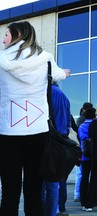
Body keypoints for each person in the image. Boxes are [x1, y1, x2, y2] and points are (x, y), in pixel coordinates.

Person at [0, 21, 69, 216]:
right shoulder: (45, 58)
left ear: (18, 34)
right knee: (34, 190)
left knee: (10, 189)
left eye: (6, 34)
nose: (3, 39)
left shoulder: (1, 60)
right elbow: (58, 75)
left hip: (7, 132)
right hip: (38, 132)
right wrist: (64, 73)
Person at [42, 82, 71, 216]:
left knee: (41, 180)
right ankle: (59, 208)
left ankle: (43, 211)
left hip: (45, 138)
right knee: (57, 178)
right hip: (60, 141)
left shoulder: (44, 92)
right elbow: (68, 123)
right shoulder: (64, 97)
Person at [74, 102, 93, 202]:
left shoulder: (80, 122)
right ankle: (91, 197)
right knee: (93, 176)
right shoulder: (94, 123)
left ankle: (79, 196)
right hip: (93, 153)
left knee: (81, 175)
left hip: (83, 151)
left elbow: (78, 136)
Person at [77, 107, 96, 210]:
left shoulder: (81, 127)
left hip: (85, 155)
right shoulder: (96, 125)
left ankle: (83, 200)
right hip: (95, 155)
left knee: (84, 178)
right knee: (94, 178)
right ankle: (94, 199)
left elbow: (80, 139)